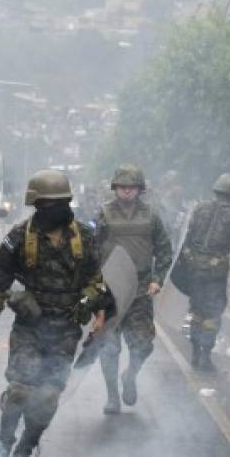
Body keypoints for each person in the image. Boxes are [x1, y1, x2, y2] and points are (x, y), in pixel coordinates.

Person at [0, 169, 112, 457]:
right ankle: (4, 440)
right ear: (36, 206)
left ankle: (25, 449)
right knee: (20, 390)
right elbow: (0, 280)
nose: (52, 210)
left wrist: (99, 315)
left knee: (48, 397)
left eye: (58, 203)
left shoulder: (84, 237)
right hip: (30, 329)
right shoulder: (19, 238)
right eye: (46, 205)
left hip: (66, 330)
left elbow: (97, 282)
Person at [94, 165, 173, 414]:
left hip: (140, 290)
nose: (126, 191)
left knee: (143, 344)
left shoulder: (151, 215)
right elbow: (91, 251)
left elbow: (164, 250)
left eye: (131, 187)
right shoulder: (104, 214)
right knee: (109, 347)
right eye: (122, 186)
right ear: (115, 188)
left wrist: (157, 279)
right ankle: (112, 397)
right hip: (111, 290)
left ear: (139, 189)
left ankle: (130, 375)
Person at [177, 173, 230, 371]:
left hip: (194, 269)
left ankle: (196, 352)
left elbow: (187, 238)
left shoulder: (199, 208)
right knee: (212, 314)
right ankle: (205, 355)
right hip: (215, 274)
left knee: (197, 312)